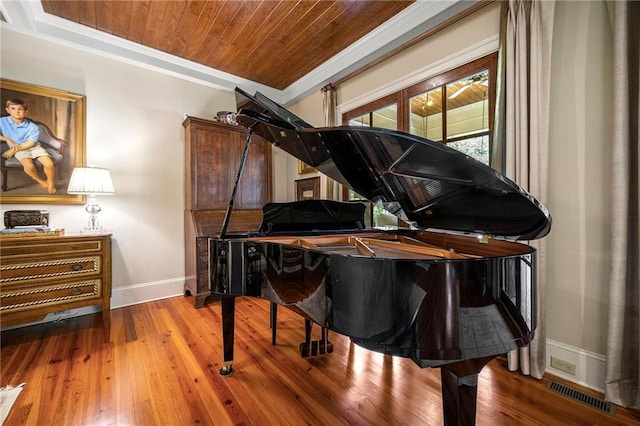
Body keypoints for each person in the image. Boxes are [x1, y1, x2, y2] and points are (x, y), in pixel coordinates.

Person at [0, 98, 57, 193]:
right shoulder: (2, 121)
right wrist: (7, 139)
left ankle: (51, 182)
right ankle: (40, 181)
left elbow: (31, 143)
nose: (17, 111)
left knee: (49, 163)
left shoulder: (32, 126)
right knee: (29, 167)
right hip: (19, 148)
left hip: (33, 146)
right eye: (13, 108)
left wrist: (12, 150)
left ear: (26, 112)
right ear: (7, 110)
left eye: (20, 109)